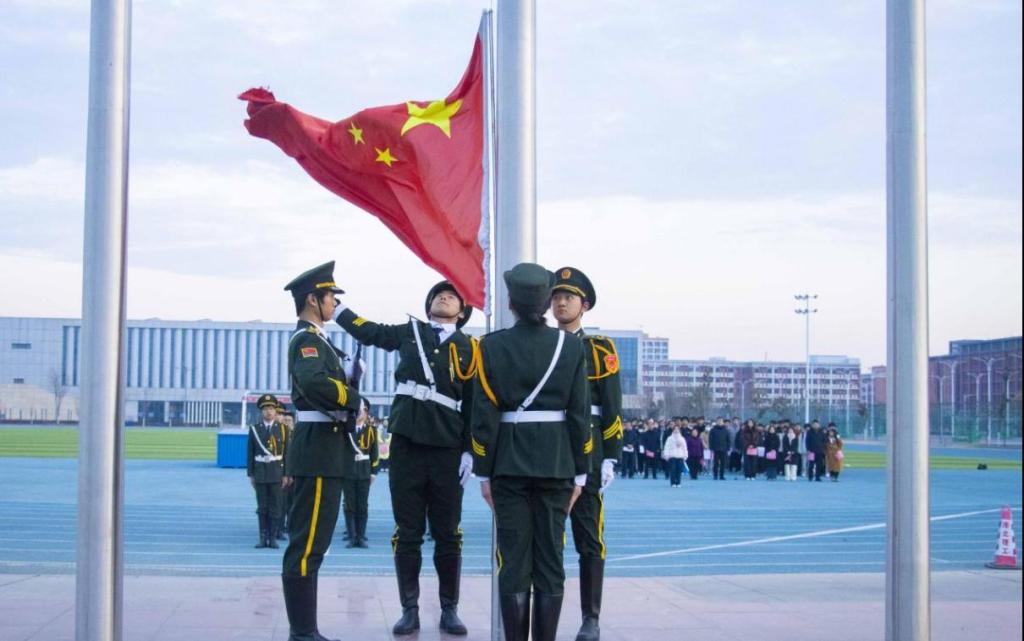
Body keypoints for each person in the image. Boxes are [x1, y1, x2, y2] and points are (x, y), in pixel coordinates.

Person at [333, 280, 475, 636]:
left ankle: (449, 608)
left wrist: (471, 450)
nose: (444, 296)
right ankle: (409, 609)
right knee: (407, 531)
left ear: (462, 311)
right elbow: (370, 331)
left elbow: (476, 402)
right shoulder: (410, 333)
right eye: (438, 294)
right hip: (407, 443)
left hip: (447, 448)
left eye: (452, 295)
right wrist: (338, 310)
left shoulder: (471, 348)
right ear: (428, 306)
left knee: (447, 532)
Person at [471, 263, 590, 641]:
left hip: (507, 465)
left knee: (513, 560)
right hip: (557, 464)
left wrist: (483, 471)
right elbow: (579, 414)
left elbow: (484, 416)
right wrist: (581, 471)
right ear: (546, 302)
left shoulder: (490, 346)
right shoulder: (570, 346)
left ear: (511, 302)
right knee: (551, 560)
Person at [280, 261, 362, 641]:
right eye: (331, 297)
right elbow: (314, 382)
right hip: (317, 451)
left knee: (315, 544)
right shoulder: (307, 340)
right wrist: (354, 397)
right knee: (306, 544)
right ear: (313, 299)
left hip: (325, 450)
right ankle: (302, 633)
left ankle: (306, 630)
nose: (334, 304)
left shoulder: (318, 339)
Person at [550, 266, 622, 641]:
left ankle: (590, 618)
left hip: (589, 450)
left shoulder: (600, 349)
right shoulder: (542, 344)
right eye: (556, 297)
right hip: (549, 449)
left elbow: (611, 403)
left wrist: (610, 455)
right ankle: (546, 617)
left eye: (569, 297)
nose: (561, 303)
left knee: (589, 538)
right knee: (549, 539)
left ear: (585, 305)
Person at [247, 393, 288, 549]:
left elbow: (287, 453)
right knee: (262, 507)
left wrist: (287, 474)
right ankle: (263, 538)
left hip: (277, 472)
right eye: (265, 409)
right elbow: (250, 453)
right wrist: (251, 474)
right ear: (261, 412)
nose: (268, 412)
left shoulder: (283, 429)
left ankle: (273, 537)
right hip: (260, 473)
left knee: (275, 507)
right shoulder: (254, 429)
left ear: (275, 411)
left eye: (271, 408)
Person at [342, 399, 379, 548]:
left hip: (364, 471)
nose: (358, 414)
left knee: (362, 505)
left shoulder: (371, 430)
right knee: (349, 505)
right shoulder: (346, 429)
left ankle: (361, 536)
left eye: (361, 411)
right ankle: (352, 537)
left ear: (366, 413)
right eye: (356, 411)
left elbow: (374, 453)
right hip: (348, 470)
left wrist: (373, 472)